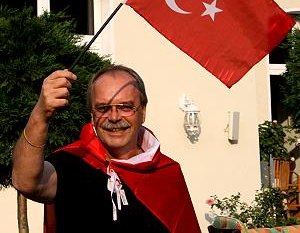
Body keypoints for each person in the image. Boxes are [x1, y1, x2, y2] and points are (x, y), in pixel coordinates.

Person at [12, 64, 201, 232]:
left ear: (142, 112)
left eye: (125, 107)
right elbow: (26, 181)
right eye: (103, 108)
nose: (114, 117)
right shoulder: (70, 162)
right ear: (92, 115)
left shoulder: (167, 173)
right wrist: (40, 114)